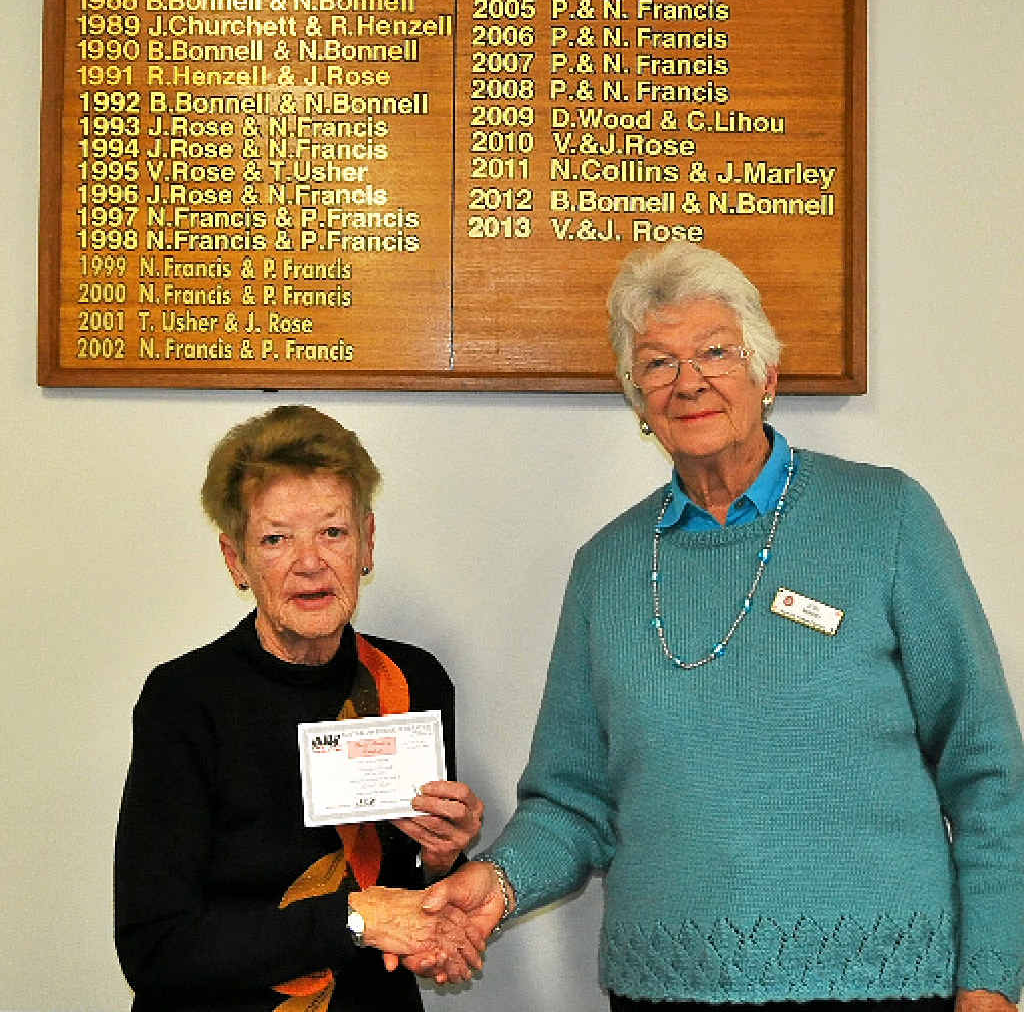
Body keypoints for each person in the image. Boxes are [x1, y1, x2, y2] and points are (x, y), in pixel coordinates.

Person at [417, 244, 1024, 1012]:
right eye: (658, 363)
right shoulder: (606, 568)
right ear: (639, 401)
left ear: (767, 376)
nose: (689, 380)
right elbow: (573, 802)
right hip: (664, 989)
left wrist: (990, 979)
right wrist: (500, 882)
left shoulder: (886, 519)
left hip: (880, 987)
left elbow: (986, 767)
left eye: (714, 352)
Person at [115, 405, 486, 1012]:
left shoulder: (412, 680)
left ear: (367, 541)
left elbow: (410, 902)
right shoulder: (183, 700)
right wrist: (353, 917)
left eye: (332, 532)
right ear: (236, 560)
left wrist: (440, 858)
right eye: (276, 539)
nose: (310, 562)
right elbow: (155, 950)